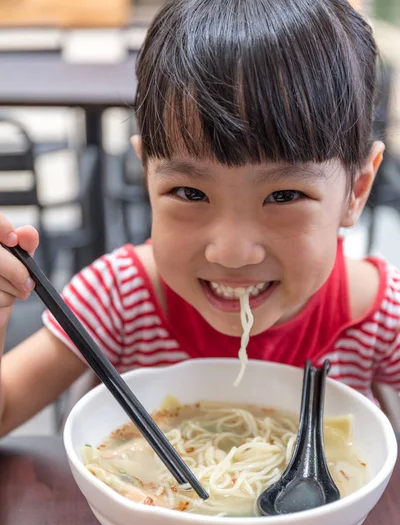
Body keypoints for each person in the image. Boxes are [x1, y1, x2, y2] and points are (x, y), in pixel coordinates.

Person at [0, 0, 398, 436]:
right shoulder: (118, 298)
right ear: (147, 177)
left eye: (284, 195)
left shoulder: (381, 318)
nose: (230, 252)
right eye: (190, 192)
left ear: (355, 192)